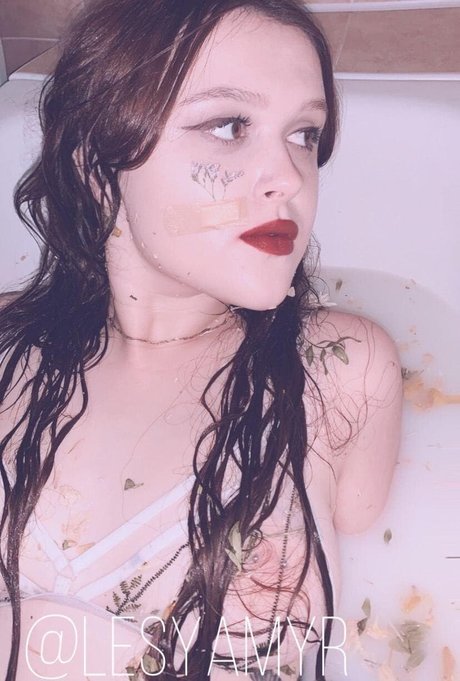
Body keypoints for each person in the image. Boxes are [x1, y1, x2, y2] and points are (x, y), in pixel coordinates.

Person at [0, 0, 402, 679]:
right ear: (96, 166)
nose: (290, 178)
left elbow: (387, 560)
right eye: (229, 126)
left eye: (304, 133)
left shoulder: (341, 370)